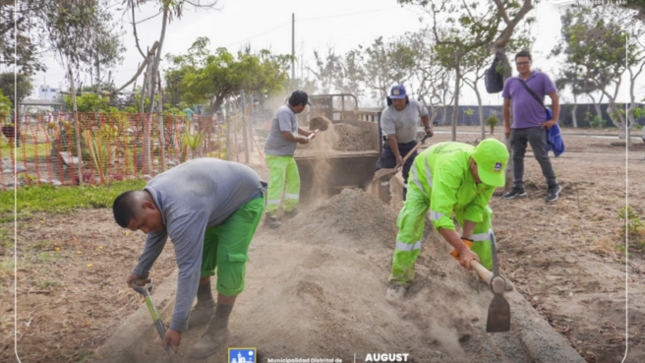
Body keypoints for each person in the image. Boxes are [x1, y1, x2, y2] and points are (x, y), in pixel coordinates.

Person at [112, 158, 266, 358]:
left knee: (229, 261)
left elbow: (188, 270)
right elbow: (156, 232)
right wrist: (140, 270)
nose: (145, 231)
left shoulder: (182, 212)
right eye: (139, 228)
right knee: (200, 255)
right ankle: (204, 306)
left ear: (148, 205)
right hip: (210, 202)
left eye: (142, 224)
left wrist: (176, 326)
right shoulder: (152, 195)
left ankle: (220, 328)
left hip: (243, 199)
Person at [385, 139, 510, 305]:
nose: (485, 181)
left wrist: (465, 243)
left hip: (458, 187)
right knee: (411, 221)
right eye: (483, 175)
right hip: (425, 183)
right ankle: (399, 280)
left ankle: (488, 276)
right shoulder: (450, 168)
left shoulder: (490, 172)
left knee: (484, 216)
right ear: (473, 161)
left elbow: (476, 208)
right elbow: (440, 218)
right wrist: (461, 249)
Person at [502, 50, 562, 202]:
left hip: (537, 126)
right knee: (516, 157)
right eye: (518, 63)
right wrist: (508, 127)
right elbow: (506, 105)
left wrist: (554, 119)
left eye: (524, 62)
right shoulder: (510, 82)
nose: (521, 65)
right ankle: (518, 188)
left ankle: (553, 186)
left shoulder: (541, 78)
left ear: (530, 63)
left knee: (541, 156)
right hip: (517, 127)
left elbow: (555, 97)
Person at [263, 90, 315, 228]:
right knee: (277, 183)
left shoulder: (290, 112)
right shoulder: (284, 112)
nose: (304, 108)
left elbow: (293, 127)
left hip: (285, 154)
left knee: (294, 180)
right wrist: (301, 140)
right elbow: (287, 134)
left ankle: (289, 209)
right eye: (304, 106)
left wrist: (306, 133)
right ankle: (270, 215)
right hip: (276, 154)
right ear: (300, 105)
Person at [376, 85, 433, 200]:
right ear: (391, 99)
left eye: (400, 99)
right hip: (392, 147)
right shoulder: (387, 114)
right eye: (394, 99)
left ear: (405, 98)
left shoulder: (415, 105)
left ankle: (408, 202)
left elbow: (424, 113)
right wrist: (397, 155)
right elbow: (391, 137)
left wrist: (427, 127)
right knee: (383, 172)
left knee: (411, 175)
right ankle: (384, 201)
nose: (397, 102)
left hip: (410, 145)